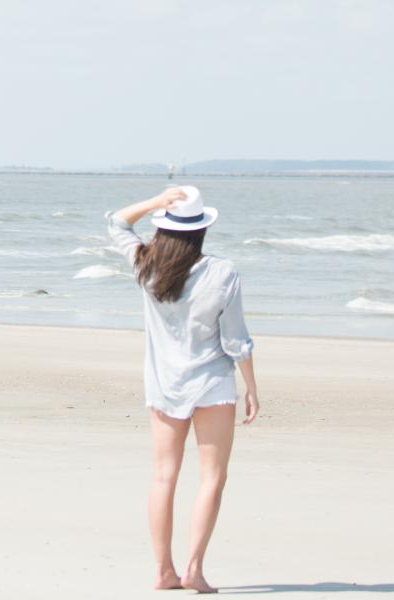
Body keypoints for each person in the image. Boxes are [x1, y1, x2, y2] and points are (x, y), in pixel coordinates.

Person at [105, 186, 259, 592]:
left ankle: (163, 572)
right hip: (212, 384)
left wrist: (156, 201)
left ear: (165, 228)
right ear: (202, 230)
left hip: (165, 386)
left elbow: (117, 222)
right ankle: (194, 569)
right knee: (212, 478)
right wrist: (252, 387)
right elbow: (235, 341)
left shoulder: (147, 266)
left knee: (163, 478)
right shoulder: (223, 273)